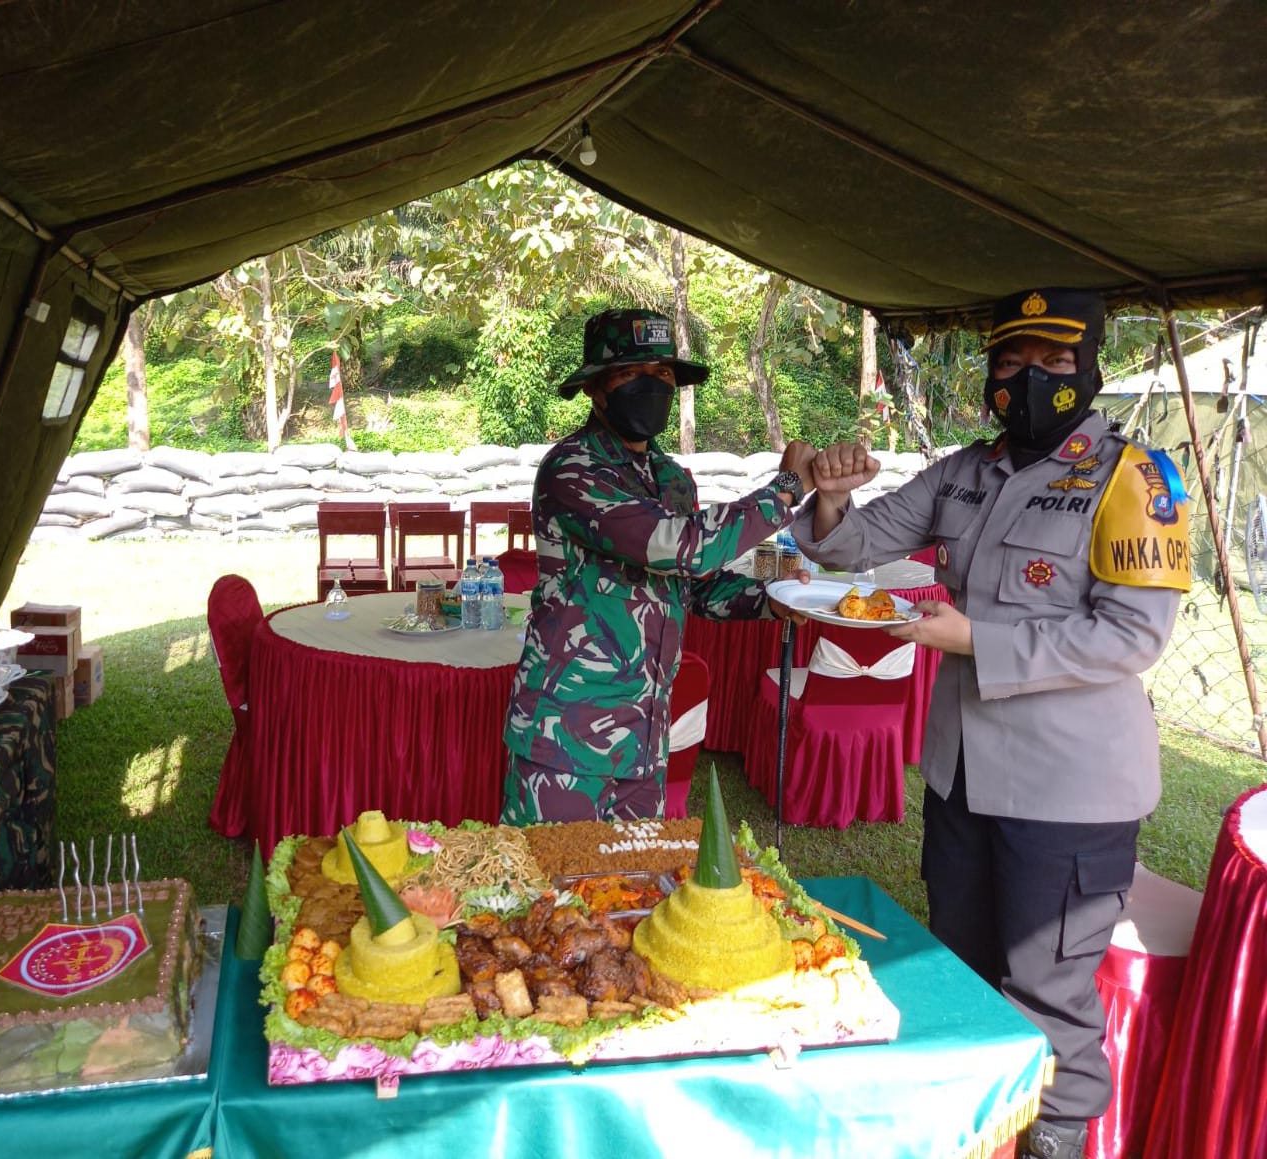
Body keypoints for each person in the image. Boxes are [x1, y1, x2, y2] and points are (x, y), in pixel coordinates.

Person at [791, 288, 1190, 1159]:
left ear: (1088, 371)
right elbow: (851, 544)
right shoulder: (967, 471)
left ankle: (1053, 1141)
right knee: (959, 970)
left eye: (1052, 362)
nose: (1031, 380)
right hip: (963, 774)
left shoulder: (1137, 477)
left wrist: (979, 638)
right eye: (1011, 364)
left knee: (1047, 992)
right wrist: (830, 499)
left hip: (1069, 789)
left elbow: (1133, 634)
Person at [501, 307, 814, 825]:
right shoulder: (572, 469)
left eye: (663, 375)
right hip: (566, 736)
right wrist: (785, 490)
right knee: (546, 892)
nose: (651, 386)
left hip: (644, 737)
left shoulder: (672, 478)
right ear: (596, 389)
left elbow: (695, 585)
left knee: (630, 893)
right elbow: (682, 546)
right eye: (631, 374)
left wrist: (772, 601)